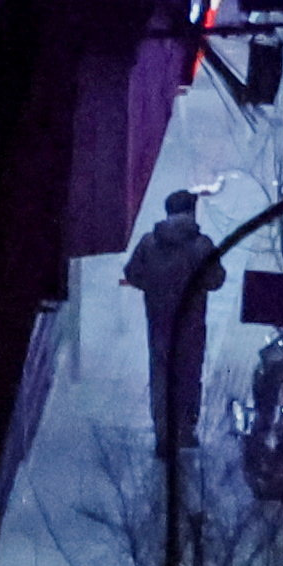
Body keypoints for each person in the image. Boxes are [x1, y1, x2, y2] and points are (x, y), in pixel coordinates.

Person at [121, 190, 220, 453]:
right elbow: (216, 280)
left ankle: (163, 436)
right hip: (191, 326)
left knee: (161, 377)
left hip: (158, 323)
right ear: (190, 212)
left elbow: (132, 273)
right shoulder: (202, 245)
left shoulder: (149, 243)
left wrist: (154, 289)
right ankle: (185, 431)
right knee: (188, 376)